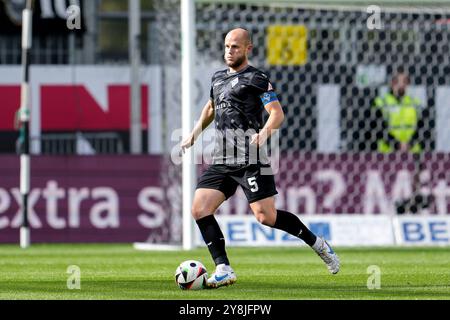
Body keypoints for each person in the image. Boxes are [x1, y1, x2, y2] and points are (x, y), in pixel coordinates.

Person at [180, 28, 340, 289]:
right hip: (223, 157)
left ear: (247, 49)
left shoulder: (257, 78)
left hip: (250, 156)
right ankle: (223, 268)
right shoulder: (218, 78)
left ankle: (316, 243)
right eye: (227, 46)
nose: (229, 51)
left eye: (235, 47)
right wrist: (194, 134)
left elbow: (277, 113)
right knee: (199, 209)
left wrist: (264, 134)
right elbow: (211, 107)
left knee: (266, 217)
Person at [372, 68, 423, 154]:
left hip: (413, 154)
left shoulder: (415, 103)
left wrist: (409, 144)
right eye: (399, 81)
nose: (402, 84)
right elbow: (378, 129)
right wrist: (397, 145)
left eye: (405, 81)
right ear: (392, 82)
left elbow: (422, 129)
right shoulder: (381, 103)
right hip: (387, 154)